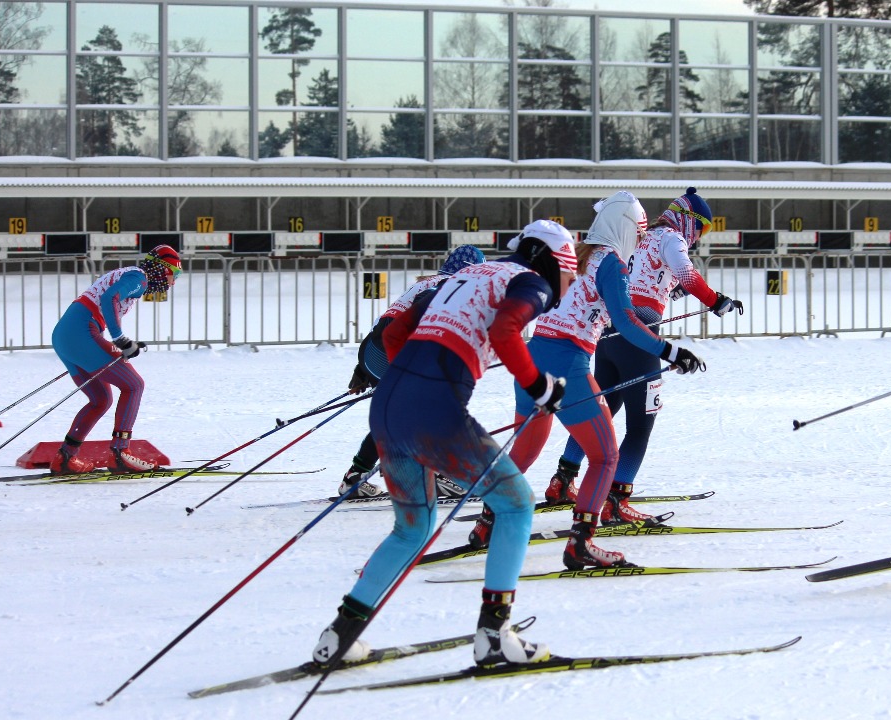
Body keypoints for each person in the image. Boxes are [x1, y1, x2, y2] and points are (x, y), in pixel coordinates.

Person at [311, 220, 573, 668]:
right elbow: (505, 333)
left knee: (412, 529)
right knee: (515, 504)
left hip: (388, 409)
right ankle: (494, 635)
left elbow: (393, 335)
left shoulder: (465, 275)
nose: (569, 284)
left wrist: (414, 383)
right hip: (435, 413)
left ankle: (339, 636)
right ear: (552, 259)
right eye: (570, 273)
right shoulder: (530, 280)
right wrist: (540, 386)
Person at [467, 191, 707, 571]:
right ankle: (582, 542)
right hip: (569, 365)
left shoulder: (572, 255)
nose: (641, 241)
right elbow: (626, 322)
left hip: (534, 357)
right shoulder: (610, 262)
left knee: (524, 454)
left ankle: (486, 524)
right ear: (625, 228)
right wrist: (671, 352)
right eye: (640, 233)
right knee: (606, 455)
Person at [544, 187, 742, 523]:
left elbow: (645, 282)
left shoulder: (641, 236)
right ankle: (616, 500)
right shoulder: (672, 237)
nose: (698, 237)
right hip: (639, 333)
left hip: (609, 333)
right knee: (641, 423)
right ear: (688, 220)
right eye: (702, 228)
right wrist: (716, 300)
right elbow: (685, 274)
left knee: (603, 412)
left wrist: (668, 290)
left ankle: (563, 479)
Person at [337, 244, 485, 500]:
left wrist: (362, 370)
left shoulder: (427, 281)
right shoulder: (452, 285)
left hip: (373, 352)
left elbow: (383, 325)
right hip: (397, 352)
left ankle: (356, 477)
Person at [47, 245, 182, 474]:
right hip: (82, 331)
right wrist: (121, 340)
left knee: (100, 399)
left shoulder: (132, 275)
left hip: (66, 335)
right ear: (161, 269)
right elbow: (110, 297)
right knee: (134, 385)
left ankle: (65, 457)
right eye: (174, 274)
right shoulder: (140, 278)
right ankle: (120, 453)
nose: (173, 282)